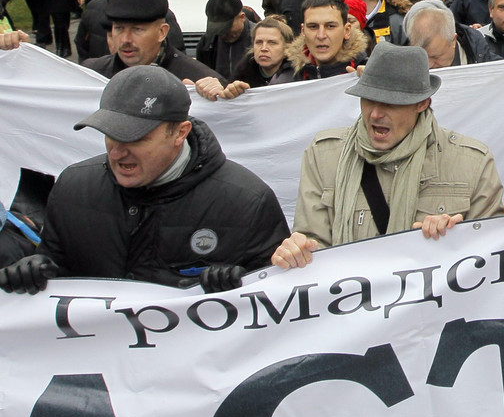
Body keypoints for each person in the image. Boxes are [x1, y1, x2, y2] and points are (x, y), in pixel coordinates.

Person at [0, 66, 289, 295]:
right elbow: (60, 271)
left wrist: (241, 288)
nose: (117, 150)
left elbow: (277, 304)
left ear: (180, 132)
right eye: (110, 133)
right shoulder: (73, 187)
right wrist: (36, 273)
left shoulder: (246, 201)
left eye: (135, 137)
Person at [271, 42, 504, 267]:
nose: (375, 114)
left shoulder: (472, 163)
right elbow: (313, 245)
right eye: (368, 100)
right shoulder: (323, 155)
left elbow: (493, 256)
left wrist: (455, 239)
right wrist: (298, 252)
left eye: (390, 104)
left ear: (422, 103)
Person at [80, 0, 226, 84]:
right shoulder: (92, 74)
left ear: (162, 32)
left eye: (137, 30)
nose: (125, 40)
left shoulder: (196, 79)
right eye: (119, 29)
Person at [195, 18, 295, 99]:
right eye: (259, 42)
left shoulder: (300, 77)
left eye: (272, 43)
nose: (264, 48)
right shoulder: (242, 74)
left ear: (287, 47)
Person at [404, 0, 499, 68]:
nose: (429, 65)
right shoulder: (402, 68)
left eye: (435, 57)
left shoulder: (484, 58)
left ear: (453, 40)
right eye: (422, 58)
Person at [196, 0, 256, 81]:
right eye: (218, 30)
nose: (223, 34)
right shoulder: (208, 43)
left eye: (227, 29)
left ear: (242, 17)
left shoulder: (260, 40)